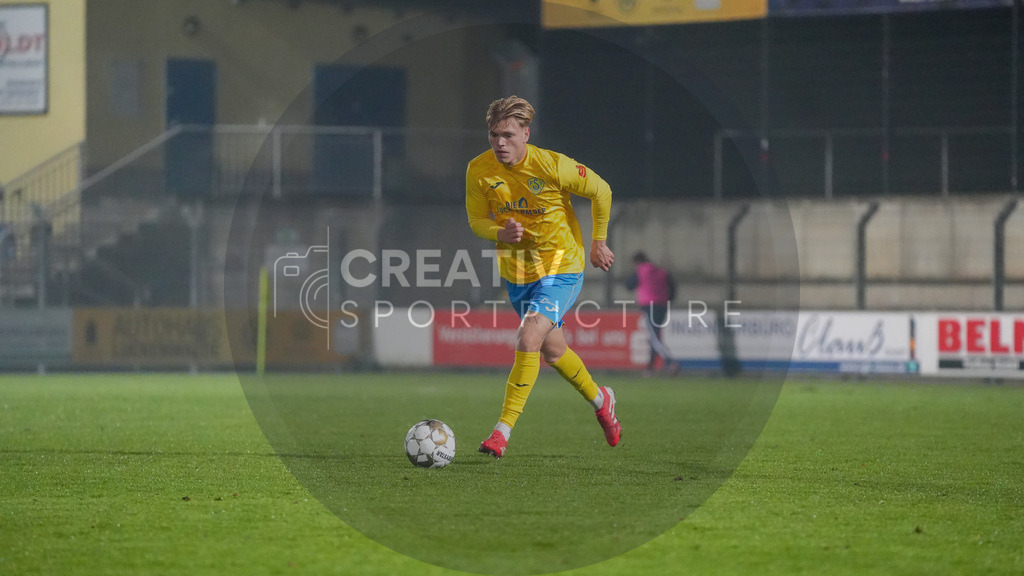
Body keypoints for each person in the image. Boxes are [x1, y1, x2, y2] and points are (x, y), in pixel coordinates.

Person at [465, 95, 621, 459]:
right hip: (518, 274)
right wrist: (498, 233)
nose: (499, 143)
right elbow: (476, 220)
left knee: (528, 334)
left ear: (525, 133)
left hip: (561, 267)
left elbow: (601, 191)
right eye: (493, 135)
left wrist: (599, 241)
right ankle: (602, 400)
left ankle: (501, 432)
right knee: (553, 351)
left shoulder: (551, 165)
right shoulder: (479, 170)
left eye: (507, 134)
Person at [625, 251, 676, 376]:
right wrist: (668, 298)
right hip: (662, 306)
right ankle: (650, 367)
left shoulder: (641, 271)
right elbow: (673, 286)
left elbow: (628, 285)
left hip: (649, 306)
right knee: (655, 335)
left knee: (654, 337)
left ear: (637, 262)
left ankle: (670, 362)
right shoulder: (661, 271)